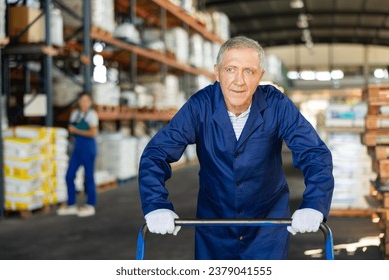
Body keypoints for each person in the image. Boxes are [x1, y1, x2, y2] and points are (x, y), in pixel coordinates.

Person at [138, 36, 334, 259]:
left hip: (268, 226)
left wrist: (314, 204)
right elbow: (156, 154)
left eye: (249, 71)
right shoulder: (200, 106)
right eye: (231, 69)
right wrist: (155, 204)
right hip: (214, 225)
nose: (239, 81)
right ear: (217, 72)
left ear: (260, 76)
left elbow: (314, 154)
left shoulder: (277, 106)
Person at [57, 92, 99, 217]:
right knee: (69, 175)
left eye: (86, 100)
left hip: (88, 147)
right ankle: (71, 203)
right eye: (81, 100)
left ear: (90, 103)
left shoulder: (92, 114)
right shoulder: (75, 114)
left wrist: (76, 130)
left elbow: (92, 133)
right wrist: (76, 131)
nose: (84, 103)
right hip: (77, 148)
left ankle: (90, 204)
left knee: (89, 177)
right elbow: (71, 128)